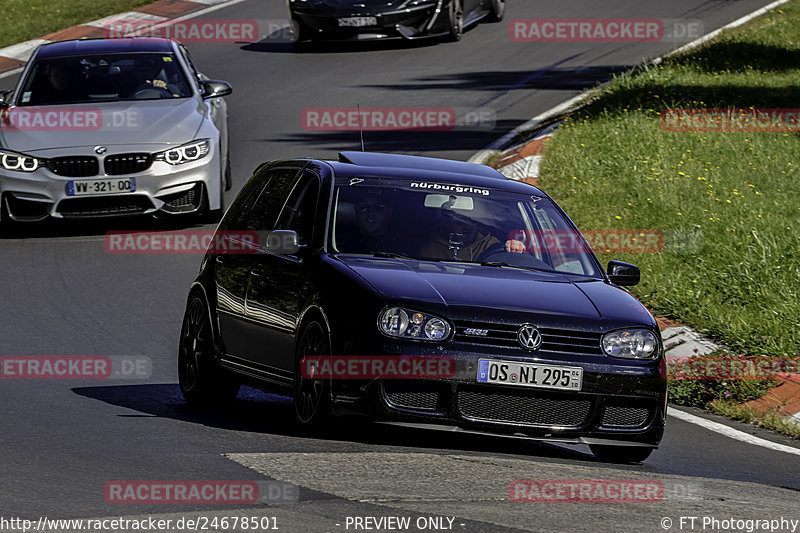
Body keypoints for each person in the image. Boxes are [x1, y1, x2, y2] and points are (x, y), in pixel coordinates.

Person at [418, 198, 526, 261]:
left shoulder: (491, 245)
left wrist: (513, 249)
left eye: (471, 220)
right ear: (447, 222)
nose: (467, 226)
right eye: (459, 221)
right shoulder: (429, 248)